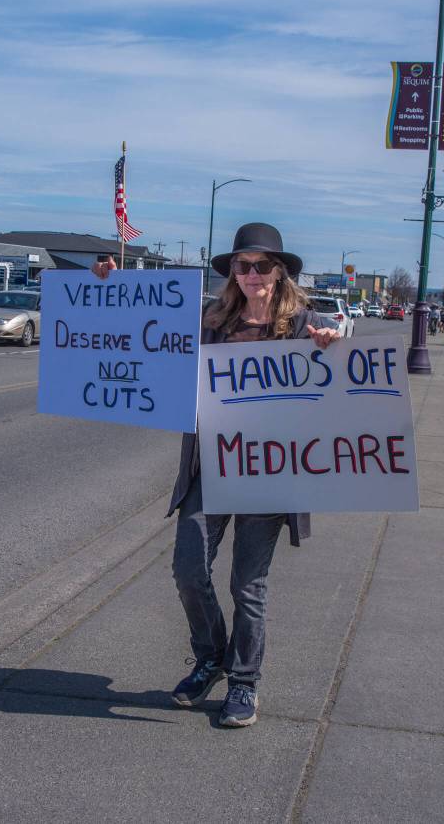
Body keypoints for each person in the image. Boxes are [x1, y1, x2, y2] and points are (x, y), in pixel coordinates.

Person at [95, 223, 342, 728]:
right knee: (188, 568)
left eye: (261, 265)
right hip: (212, 465)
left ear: (279, 273)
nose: (251, 274)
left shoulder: (304, 326)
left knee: (247, 585)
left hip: (269, 474)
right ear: (233, 272)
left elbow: (335, 385)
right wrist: (108, 284)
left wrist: (328, 348)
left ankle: (244, 683)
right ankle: (211, 656)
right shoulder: (210, 321)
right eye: (242, 265)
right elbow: (145, 324)